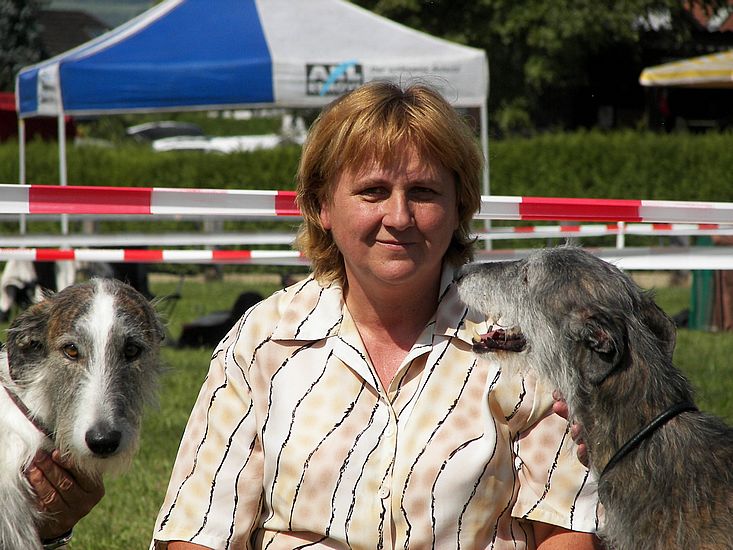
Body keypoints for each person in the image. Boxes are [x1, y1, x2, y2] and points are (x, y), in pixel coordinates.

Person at [150, 81, 601, 550]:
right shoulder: (262, 342)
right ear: (322, 205)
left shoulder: (525, 346)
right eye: (373, 191)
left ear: (459, 206)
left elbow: (566, 527)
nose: (399, 216)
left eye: (423, 192)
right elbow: (197, 529)